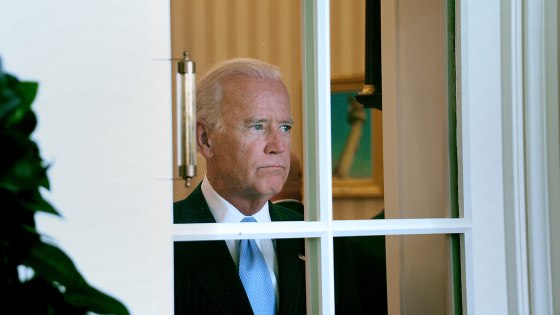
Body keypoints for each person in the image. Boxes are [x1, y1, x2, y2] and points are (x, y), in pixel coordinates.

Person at [173, 58, 306, 315]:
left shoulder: (316, 237)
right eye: (257, 126)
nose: (278, 146)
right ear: (205, 139)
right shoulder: (163, 234)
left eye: (285, 127)